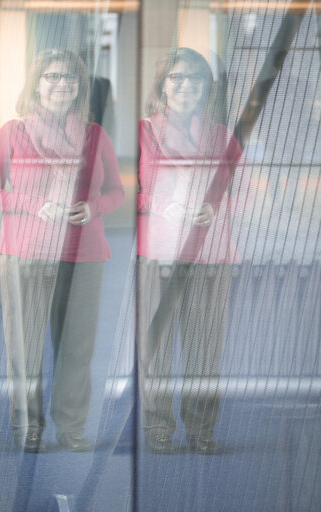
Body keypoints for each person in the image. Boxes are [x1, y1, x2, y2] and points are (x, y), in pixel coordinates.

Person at [0, 49, 124, 452]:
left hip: (85, 253)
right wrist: (30, 204)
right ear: (36, 83)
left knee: (77, 347)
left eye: (71, 78)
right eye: (52, 76)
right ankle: (27, 425)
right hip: (27, 252)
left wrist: (93, 206)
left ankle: (71, 428)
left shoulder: (95, 135)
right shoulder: (12, 133)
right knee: (25, 347)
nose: (62, 84)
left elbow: (117, 190)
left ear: (81, 88)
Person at [137, 48, 240, 455]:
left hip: (212, 252)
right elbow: (137, 190)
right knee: (157, 348)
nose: (185, 86)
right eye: (177, 77)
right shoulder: (145, 131)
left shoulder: (222, 136)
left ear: (206, 88)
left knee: (205, 348)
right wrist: (166, 207)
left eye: (195, 79)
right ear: (162, 84)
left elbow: (245, 192)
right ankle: (159, 427)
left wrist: (215, 207)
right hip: (161, 252)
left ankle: (201, 428)